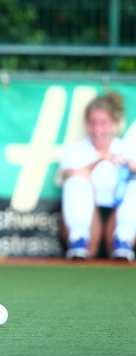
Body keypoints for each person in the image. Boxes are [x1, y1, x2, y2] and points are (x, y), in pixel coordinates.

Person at [59, 92, 136, 262]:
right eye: (92, 123)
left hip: (119, 218)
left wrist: (131, 166)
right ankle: (78, 238)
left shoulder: (128, 150)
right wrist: (100, 159)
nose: (97, 130)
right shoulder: (73, 151)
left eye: (103, 123)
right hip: (88, 221)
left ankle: (123, 239)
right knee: (77, 181)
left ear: (115, 123)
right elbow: (69, 175)